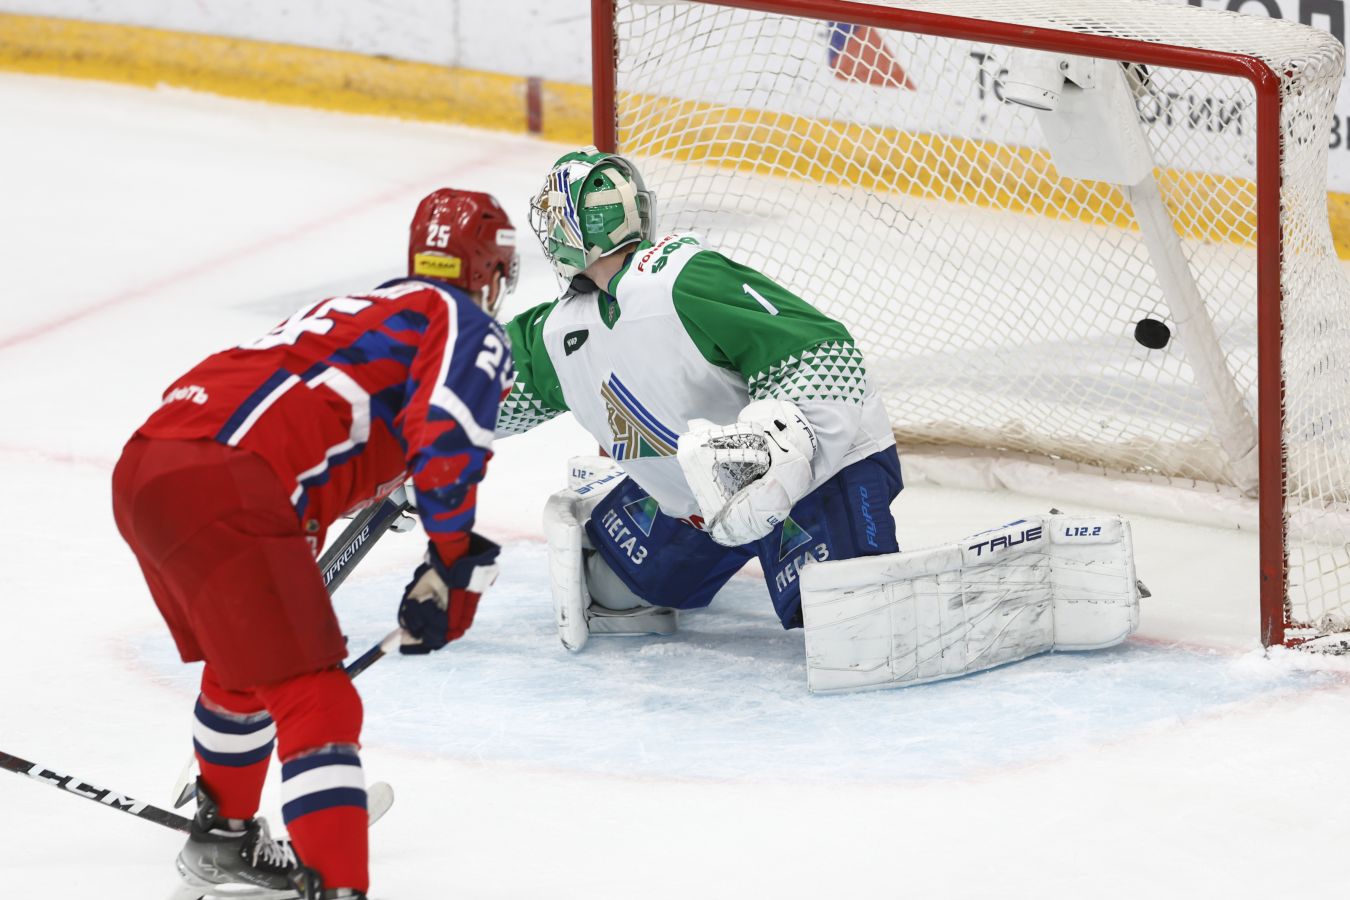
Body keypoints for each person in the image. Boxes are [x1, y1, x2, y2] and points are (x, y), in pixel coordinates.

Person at [112, 188, 517, 899]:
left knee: (250, 668)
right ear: (488, 271)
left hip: (151, 462)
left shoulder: (355, 314)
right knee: (320, 703)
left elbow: (306, 430)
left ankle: (224, 838)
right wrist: (452, 561)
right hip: (228, 477)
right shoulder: (456, 317)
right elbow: (446, 435)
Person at [497, 147, 901, 649]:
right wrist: (416, 440)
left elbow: (822, 349)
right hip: (699, 505)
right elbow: (475, 386)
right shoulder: (560, 331)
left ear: (581, 227)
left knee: (849, 620)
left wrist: (780, 451)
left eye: (556, 217)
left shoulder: (681, 279)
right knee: (618, 589)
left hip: (820, 476)